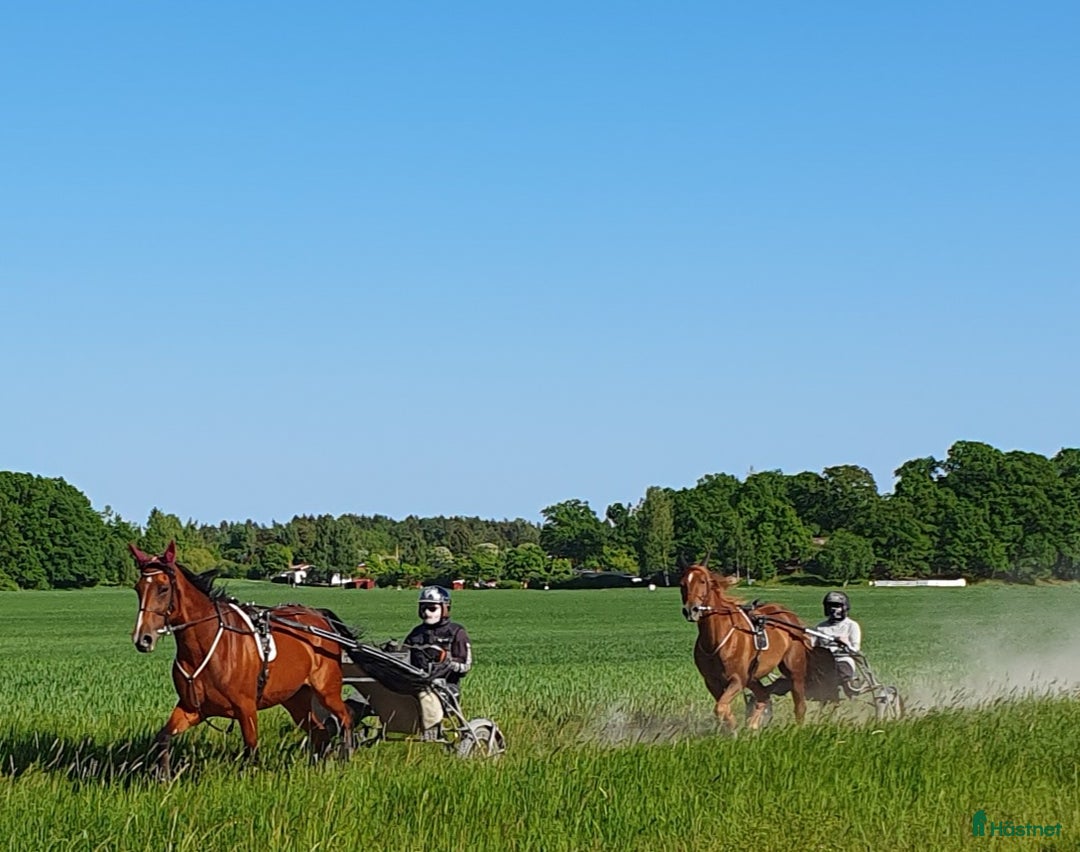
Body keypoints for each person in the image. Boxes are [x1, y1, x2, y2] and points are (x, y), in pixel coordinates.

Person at [404, 586, 472, 703]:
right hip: (416, 686)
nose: (426, 612)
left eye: (432, 608)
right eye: (423, 608)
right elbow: (404, 659)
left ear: (445, 608)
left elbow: (466, 666)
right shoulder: (416, 633)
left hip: (445, 687)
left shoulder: (456, 632)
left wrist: (443, 658)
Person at [812, 591, 862, 695]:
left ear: (845, 607)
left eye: (837, 606)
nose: (833, 609)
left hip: (843, 659)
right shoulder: (820, 627)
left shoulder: (851, 625)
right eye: (830, 606)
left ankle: (851, 695)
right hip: (823, 661)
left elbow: (855, 649)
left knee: (841, 672)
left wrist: (845, 643)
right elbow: (812, 646)